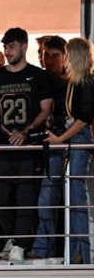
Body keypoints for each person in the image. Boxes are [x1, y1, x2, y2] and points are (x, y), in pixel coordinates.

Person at [0, 27, 52, 263]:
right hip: (1, 148)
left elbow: (45, 109)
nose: (7, 51)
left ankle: (19, 244)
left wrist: (26, 132)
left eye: (12, 46)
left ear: (24, 46)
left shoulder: (38, 76)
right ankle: (14, 238)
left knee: (26, 198)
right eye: (5, 47)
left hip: (27, 150)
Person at [43, 37, 93, 264]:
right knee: (72, 195)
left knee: (76, 194)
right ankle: (75, 250)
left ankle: (80, 250)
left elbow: (83, 118)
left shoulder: (87, 82)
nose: (65, 61)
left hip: (77, 138)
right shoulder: (74, 82)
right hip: (72, 137)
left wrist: (60, 138)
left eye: (68, 56)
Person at [31, 36, 68, 259]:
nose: (50, 60)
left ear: (65, 57)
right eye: (46, 55)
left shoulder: (74, 82)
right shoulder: (38, 79)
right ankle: (44, 248)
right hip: (45, 146)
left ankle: (68, 249)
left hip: (69, 144)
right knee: (45, 199)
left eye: (55, 56)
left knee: (70, 200)